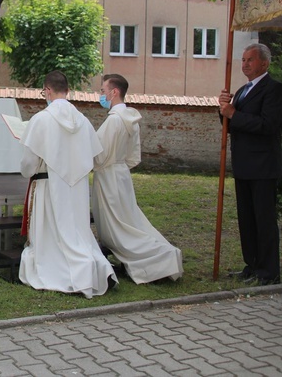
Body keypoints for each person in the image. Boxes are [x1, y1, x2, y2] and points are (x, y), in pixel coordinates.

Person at [18, 70, 117, 298]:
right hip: (77, 189)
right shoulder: (83, 121)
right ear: (68, 91)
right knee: (76, 232)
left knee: (51, 236)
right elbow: (93, 157)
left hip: (48, 187)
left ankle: (65, 272)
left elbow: (29, 163)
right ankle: (90, 267)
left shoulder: (41, 119)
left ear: (48, 90)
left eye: (45, 91)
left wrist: (28, 171)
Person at [91, 74, 183, 284]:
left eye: (103, 91)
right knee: (128, 219)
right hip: (121, 174)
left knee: (119, 226)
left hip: (108, 176)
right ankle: (156, 256)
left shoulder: (114, 120)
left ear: (114, 92)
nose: (101, 95)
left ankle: (157, 258)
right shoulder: (131, 119)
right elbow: (134, 155)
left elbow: (98, 153)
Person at [219, 43, 282, 286]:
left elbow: (268, 125)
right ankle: (252, 265)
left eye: (250, 60)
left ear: (264, 64)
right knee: (246, 219)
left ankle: (269, 271)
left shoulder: (274, 89)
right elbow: (230, 123)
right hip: (244, 164)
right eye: (243, 60)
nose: (245, 64)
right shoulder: (242, 90)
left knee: (263, 219)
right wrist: (225, 109)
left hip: (263, 165)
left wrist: (233, 114)